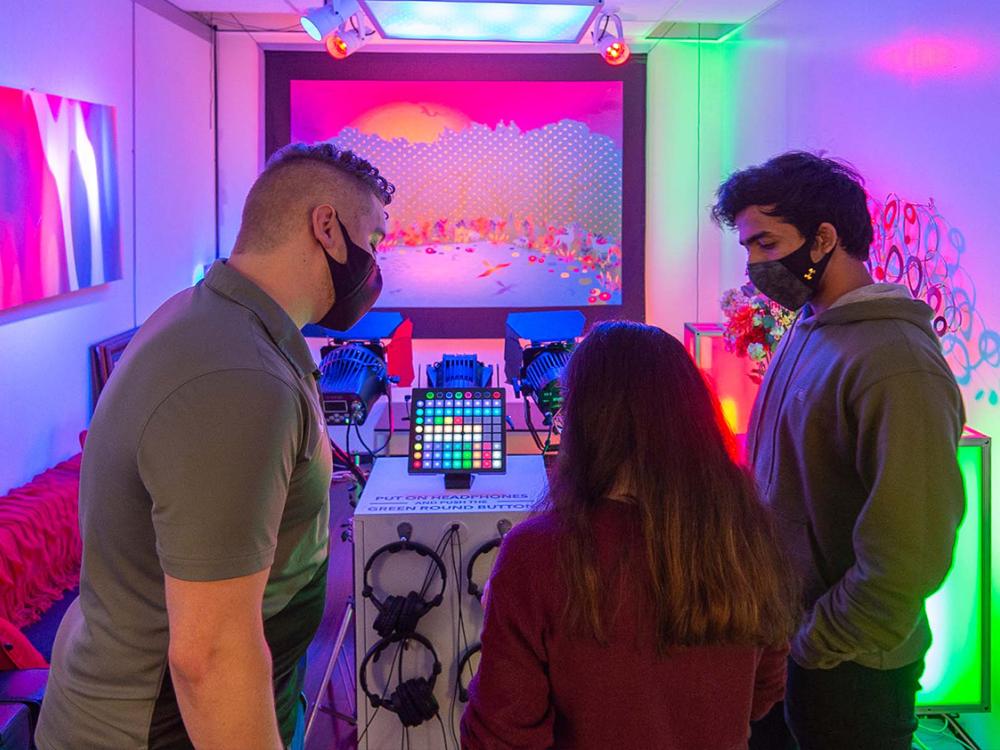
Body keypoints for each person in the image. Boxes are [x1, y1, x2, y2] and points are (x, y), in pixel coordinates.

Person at [35, 142, 393, 750]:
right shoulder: (238, 376)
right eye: (375, 241)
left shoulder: (216, 323)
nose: (377, 264)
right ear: (327, 229)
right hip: (160, 731)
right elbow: (211, 658)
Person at [712, 151, 965, 750]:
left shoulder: (896, 362)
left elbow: (911, 555)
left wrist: (816, 642)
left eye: (767, 244)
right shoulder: (806, 325)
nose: (753, 265)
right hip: (789, 647)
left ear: (824, 239)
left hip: (852, 671)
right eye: (747, 248)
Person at [461, 320, 797, 750]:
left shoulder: (537, 554)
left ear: (585, 423)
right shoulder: (746, 535)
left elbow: (500, 735)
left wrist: (503, 610)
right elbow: (764, 692)